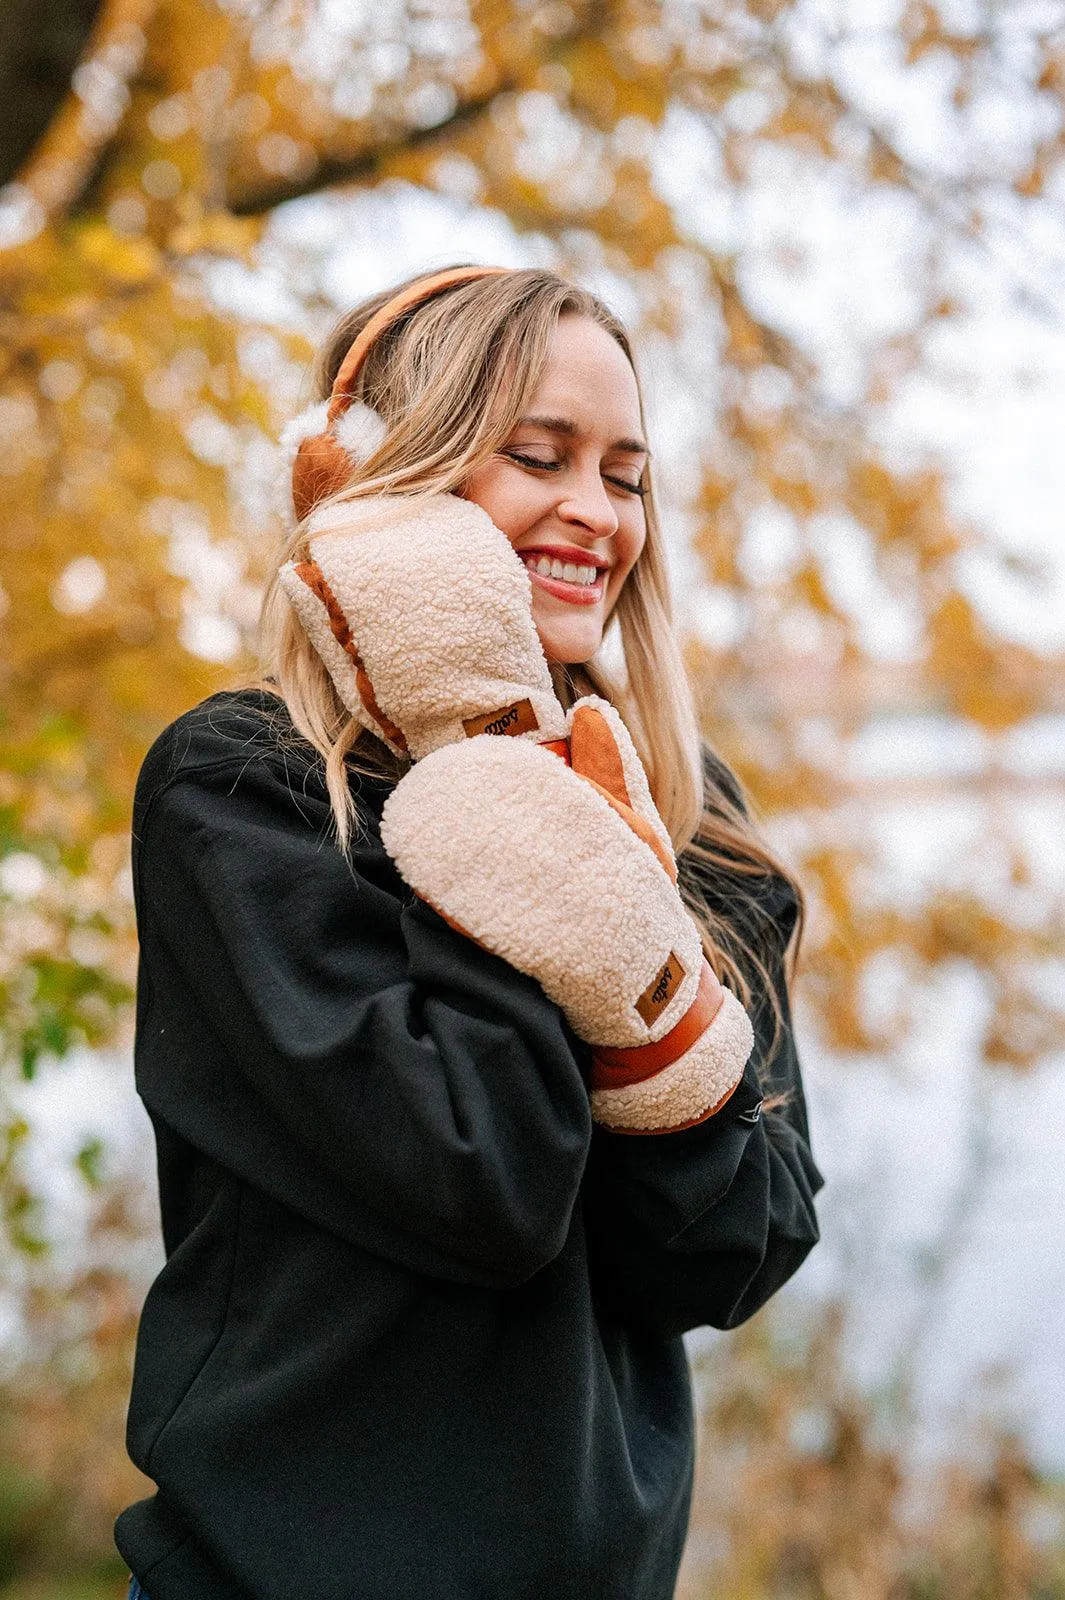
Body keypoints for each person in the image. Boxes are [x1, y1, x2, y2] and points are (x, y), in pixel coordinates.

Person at [115, 263, 823, 1600]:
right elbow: (482, 1180)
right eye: (540, 456)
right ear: (385, 483)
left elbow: (744, 1246)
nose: (594, 513)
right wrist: (478, 745)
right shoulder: (244, 791)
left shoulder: (688, 811)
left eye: (626, 475)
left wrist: (648, 1000)